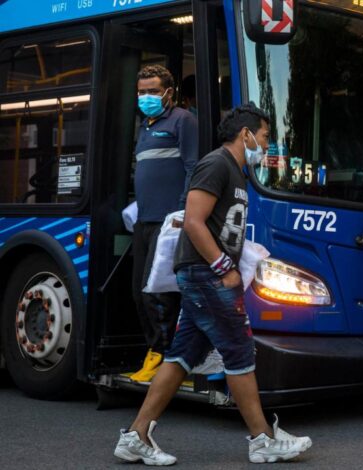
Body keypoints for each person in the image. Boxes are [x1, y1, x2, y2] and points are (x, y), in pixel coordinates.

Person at [114, 103, 312, 465]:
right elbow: (193, 220)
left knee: (181, 356)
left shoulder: (235, 171)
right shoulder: (216, 164)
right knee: (238, 351)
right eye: (265, 136)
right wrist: (225, 267)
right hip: (208, 275)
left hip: (206, 276)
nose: (266, 145)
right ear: (245, 134)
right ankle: (262, 438)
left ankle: (135, 436)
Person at [130, 65, 198, 382]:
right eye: (142, 91)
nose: (146, 97)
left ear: (169, 92)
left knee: (156, 292)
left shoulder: (183, 120)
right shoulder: (145, 126)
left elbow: (192, 167)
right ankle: (157, 352)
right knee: (137, 290)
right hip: (143, 221)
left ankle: (165, 356)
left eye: (153, 91)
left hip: (169, 222)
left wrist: (184, 212)